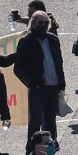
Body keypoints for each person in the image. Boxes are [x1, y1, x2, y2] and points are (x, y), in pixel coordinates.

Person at [14, 11, 66, 140]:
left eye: (46, 22)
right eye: (40, 23)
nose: (44, 25)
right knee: (35, 121)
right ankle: (32, 148)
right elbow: (18, 68)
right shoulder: (26, 41)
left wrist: (61, 84)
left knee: (51, 120)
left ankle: (51, 147)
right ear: (33, 24)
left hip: (54, 86)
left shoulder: (53, 39)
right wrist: (32, 84)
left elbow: (59, 63)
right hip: (38, 87)